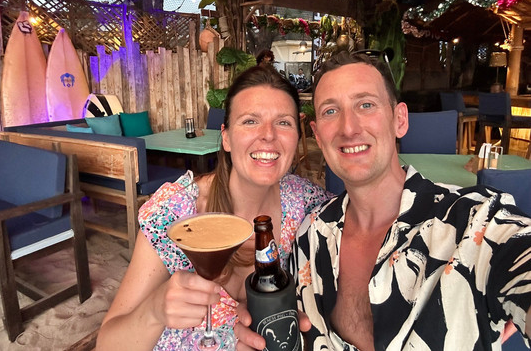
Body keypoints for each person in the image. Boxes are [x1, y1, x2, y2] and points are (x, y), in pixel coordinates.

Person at [236, 51, 531, 350]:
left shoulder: (475, 223)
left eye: (366, 105)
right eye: (330, 111)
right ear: (317, 136)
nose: (348, 128)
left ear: (399, 120)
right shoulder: (309, 238)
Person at [95, 65, 332, 350]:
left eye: (283, 122)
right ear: (227, 138)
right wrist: (154, 311)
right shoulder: (176, 212)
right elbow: (107, 344)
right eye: (250, 121)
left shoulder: (306, 202)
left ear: (298, 136)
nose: (268, 135)